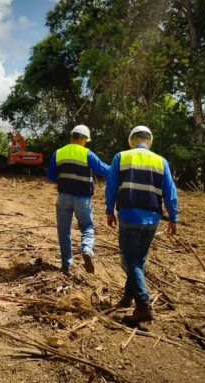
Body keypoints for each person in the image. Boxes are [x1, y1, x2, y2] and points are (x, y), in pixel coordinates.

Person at [105, 126, 178, 323]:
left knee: (129, 261)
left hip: (129, 216)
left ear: (132, 141)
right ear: (150, 141)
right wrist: (173, 218)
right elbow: (170, 193)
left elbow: (111, 187)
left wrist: (109, 210)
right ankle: (128, 297)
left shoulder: (121, 157)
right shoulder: (161, 161)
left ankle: (143, 304)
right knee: (139, 260)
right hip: (152, 219)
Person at [46, 125, 110, 275]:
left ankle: (66, 265)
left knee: (64, 232)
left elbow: (50, 177)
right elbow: (104, 170)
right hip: (83, 198)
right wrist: (119, 167)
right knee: (87, 227)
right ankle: (87, 249)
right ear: (84, 139)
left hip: (63, 197)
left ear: (72, 136)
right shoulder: (87, 154)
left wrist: (64, 180)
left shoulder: (59, 153)